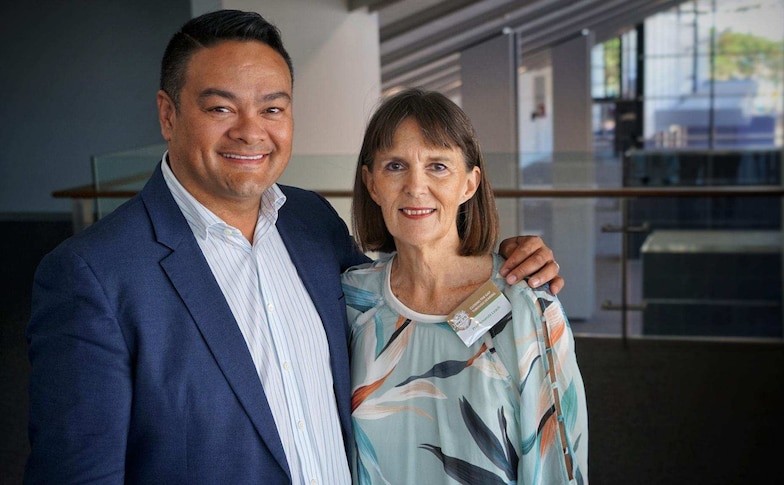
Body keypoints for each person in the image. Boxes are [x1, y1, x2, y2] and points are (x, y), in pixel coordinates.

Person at [25, 10, 563, 484]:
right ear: (168, 115)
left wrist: (502, 261)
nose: (250, 132)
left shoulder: (309, 221)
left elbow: (405, 299)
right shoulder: (93, 274)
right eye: (220, 109)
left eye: (272, 109)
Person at [343, 88, 588, 484]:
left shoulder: (526, 303)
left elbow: (557, 466)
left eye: (438, 166)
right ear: (372, 184)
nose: (415, 186)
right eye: (395, 166)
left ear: (469, 184)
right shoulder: (352, 302)